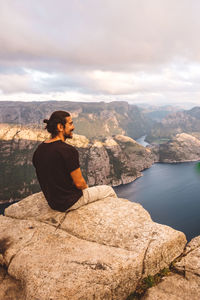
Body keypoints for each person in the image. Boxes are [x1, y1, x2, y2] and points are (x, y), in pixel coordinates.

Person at [32, 110, 116, 212]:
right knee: (108, 190)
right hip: (70, 202)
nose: (73, 127)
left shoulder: (39, 149)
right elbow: (80, 183)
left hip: (53, 203)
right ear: (60, 127)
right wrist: (87, 191)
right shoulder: (68, 150)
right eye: (70, 123)